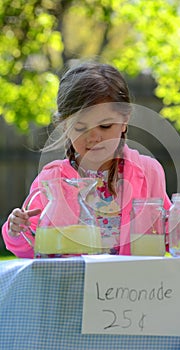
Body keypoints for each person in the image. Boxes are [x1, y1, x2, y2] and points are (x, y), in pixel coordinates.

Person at [2, 61, 171, 258]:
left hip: (130, 286)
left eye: (105, 126)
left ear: (124, 121)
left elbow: (165, 233)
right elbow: (34, 246)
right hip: (72, 285)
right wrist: (17, 230)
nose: (94, 137)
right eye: (81, 128)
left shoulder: (148, 171)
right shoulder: (53, 178)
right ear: (64, 126)